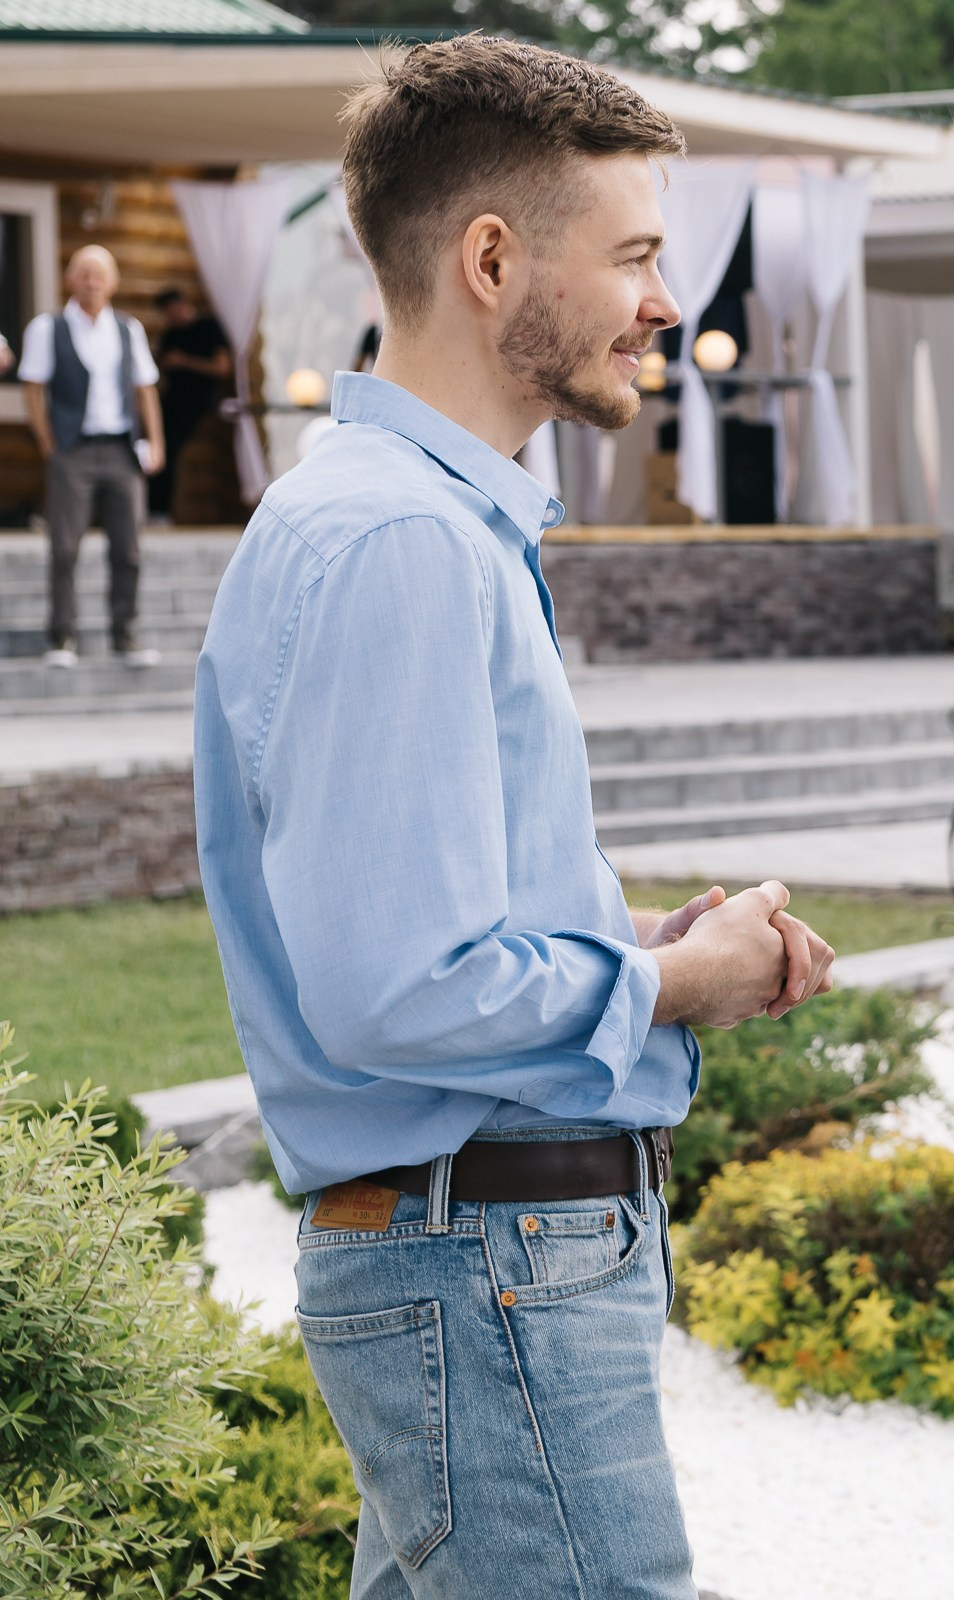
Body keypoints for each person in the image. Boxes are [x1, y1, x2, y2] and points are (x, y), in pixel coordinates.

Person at [193, 37, 833, 1600]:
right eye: (635, 255)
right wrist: (672, 985)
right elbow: (401, 988)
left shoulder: (403, 518)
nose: (663, 302)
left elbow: (426, 920)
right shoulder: (400, 542)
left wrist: (637, 938)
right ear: (492, 262)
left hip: (476, 1259)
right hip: (484, 1261)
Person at [22, 244, 165, 668]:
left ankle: (125, 633)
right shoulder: (47, 328)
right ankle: (62, 637)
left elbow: (145, 389)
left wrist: (156, 442)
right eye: (84, 273)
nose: (92, 281)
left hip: (122, 449)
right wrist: (49, 444)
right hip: (73, 449)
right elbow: (32, 390)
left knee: (129, 548)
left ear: (113, 282)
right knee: (65, 547)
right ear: (69, 279)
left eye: (100, 274)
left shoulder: (128, 328)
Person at [151, 285, 232, 521]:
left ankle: (160, 511)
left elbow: (222, 368)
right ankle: (155, 508)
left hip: (197, 402)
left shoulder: (209, 327)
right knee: (158, 448)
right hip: (171, 401)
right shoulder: (171, 335)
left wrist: (185, 361)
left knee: (170, 448)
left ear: (181, 305)